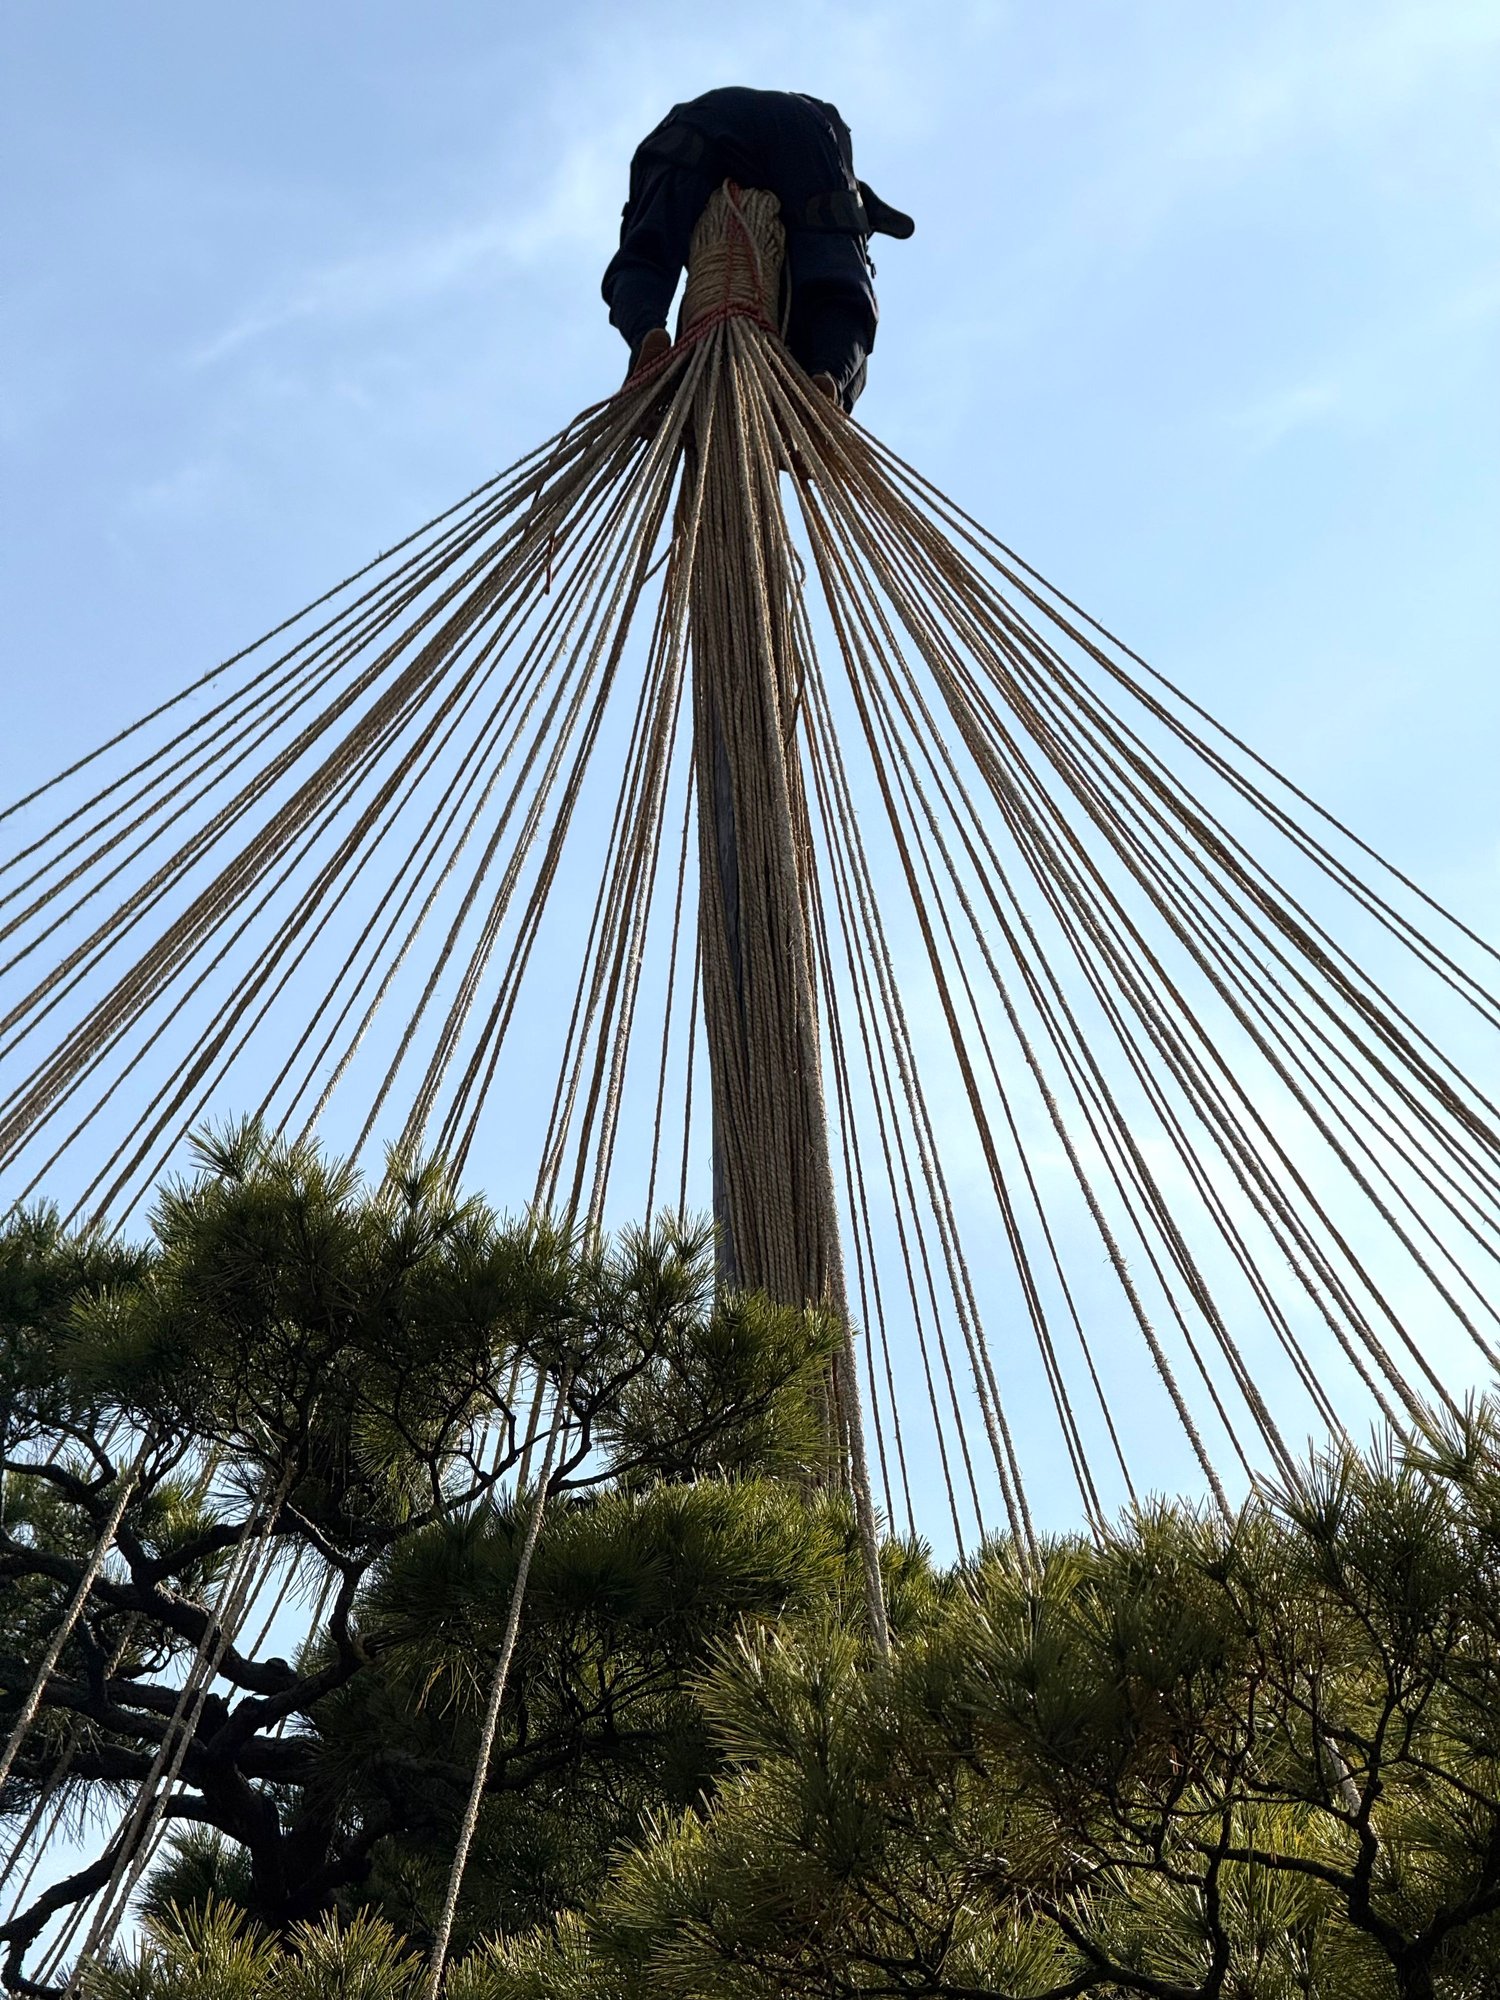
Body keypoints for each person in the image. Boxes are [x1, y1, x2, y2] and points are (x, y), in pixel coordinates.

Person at [602, 87, 913, 413]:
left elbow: (642, 253)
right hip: (805, 133)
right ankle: (830, 376)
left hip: (693, 124)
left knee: (647, 251)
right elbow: (838, 271)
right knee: (841, 287)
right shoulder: (838, 180)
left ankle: (646, 334)